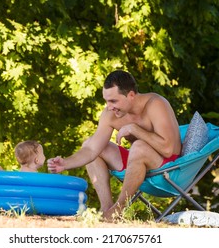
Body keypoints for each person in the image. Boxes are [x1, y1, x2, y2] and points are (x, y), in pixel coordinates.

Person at [47, 70, 181, 220]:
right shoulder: (110, 114)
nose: (109, 107)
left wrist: (134, 129)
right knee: (90, 143)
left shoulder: (156, 104)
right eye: (106, 101)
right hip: (138, 161)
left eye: (113, 101)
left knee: (138, 147)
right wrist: (65, 163)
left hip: (169, 168)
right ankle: (107, 209)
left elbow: (168, 149)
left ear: (131, 95)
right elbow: (92, 150)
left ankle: (119, 209)